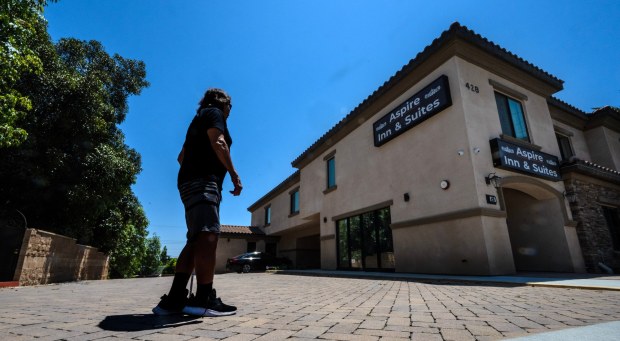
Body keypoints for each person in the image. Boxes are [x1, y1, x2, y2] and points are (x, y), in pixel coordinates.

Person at [152, 88, 242, 317]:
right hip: (203, 183)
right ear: (224, 103)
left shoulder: (198, 119)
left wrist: (193, 174)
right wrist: (233, 174)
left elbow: (181, 157)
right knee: (208, 235)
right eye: (230, 106)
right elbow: (219, 143)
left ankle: (173, 300)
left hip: (189, 184)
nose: (230, 111)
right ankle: (203, 299)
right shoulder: (214, 113)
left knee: (195, 239)